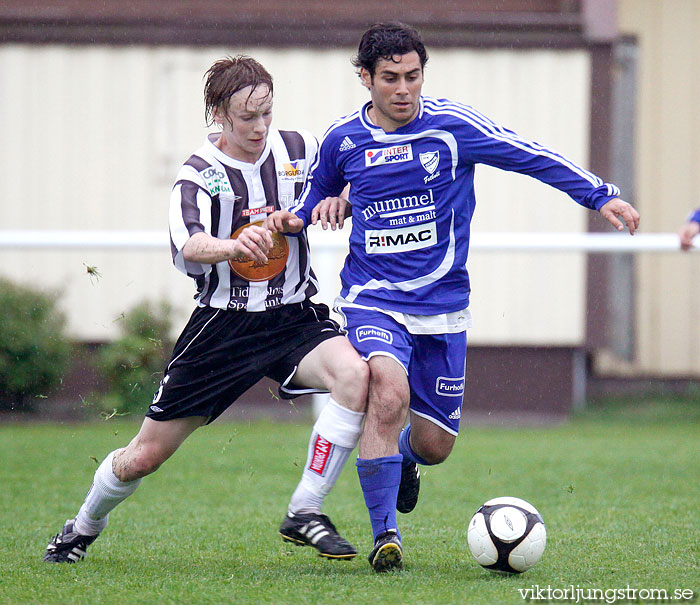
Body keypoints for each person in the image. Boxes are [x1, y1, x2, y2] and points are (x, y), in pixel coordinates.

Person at [265, 22, 640, 572]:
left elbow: (527, 154)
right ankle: (385, 536)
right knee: (386, 392)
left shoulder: (452, 127)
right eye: (389, 78)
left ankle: (407, 460)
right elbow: (309, 198)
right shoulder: (343, 139)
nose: (403, 89)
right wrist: (307, 214)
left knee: (436, 444)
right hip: (374, 297)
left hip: (443, 306)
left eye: (412, 77)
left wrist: (599, 195)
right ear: (365, 78)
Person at [43, 55, 369, 564]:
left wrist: (341, 200)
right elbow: (187, 244)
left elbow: (352, 180)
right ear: (218, 113)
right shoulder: (200, 175)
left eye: (266, 113)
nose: (260, 127)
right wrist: (233, 248)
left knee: (357, 377)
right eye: (247, 117)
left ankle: (306, 507)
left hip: (293, 317)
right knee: (143, 458)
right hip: (223, 328)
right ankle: (82, 528)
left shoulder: (301, 149)